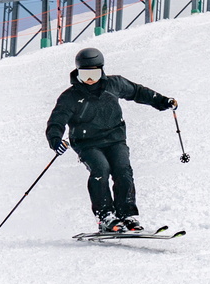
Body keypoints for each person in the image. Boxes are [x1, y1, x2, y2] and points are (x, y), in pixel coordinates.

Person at [45, 48, 176, 233]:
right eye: (85, 74)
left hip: (115, 139)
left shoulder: (114, 84)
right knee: (101, 169)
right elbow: (56, 121)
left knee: (123, 170)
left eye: (94, 73)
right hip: (87, 143)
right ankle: (105, 217)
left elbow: (138, 92)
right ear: (77, 72)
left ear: (102, 70)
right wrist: (55, 140)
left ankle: (127, 215)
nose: (90, 79)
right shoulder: (70, 97)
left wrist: (163, 101)